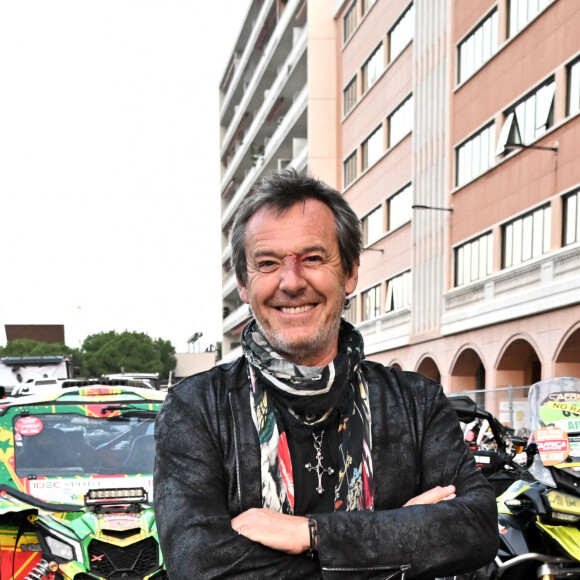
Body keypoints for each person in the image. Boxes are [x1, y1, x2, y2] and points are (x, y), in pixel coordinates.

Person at [154, 169, 498, 579]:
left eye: (313, 258)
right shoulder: (197, 408)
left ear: (350, 271)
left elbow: (475, 528)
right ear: (244, 285)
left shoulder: (415, 402)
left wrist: (312, 534)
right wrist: (392, 540)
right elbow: (198, 566)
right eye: (267, 263)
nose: (291, 282)